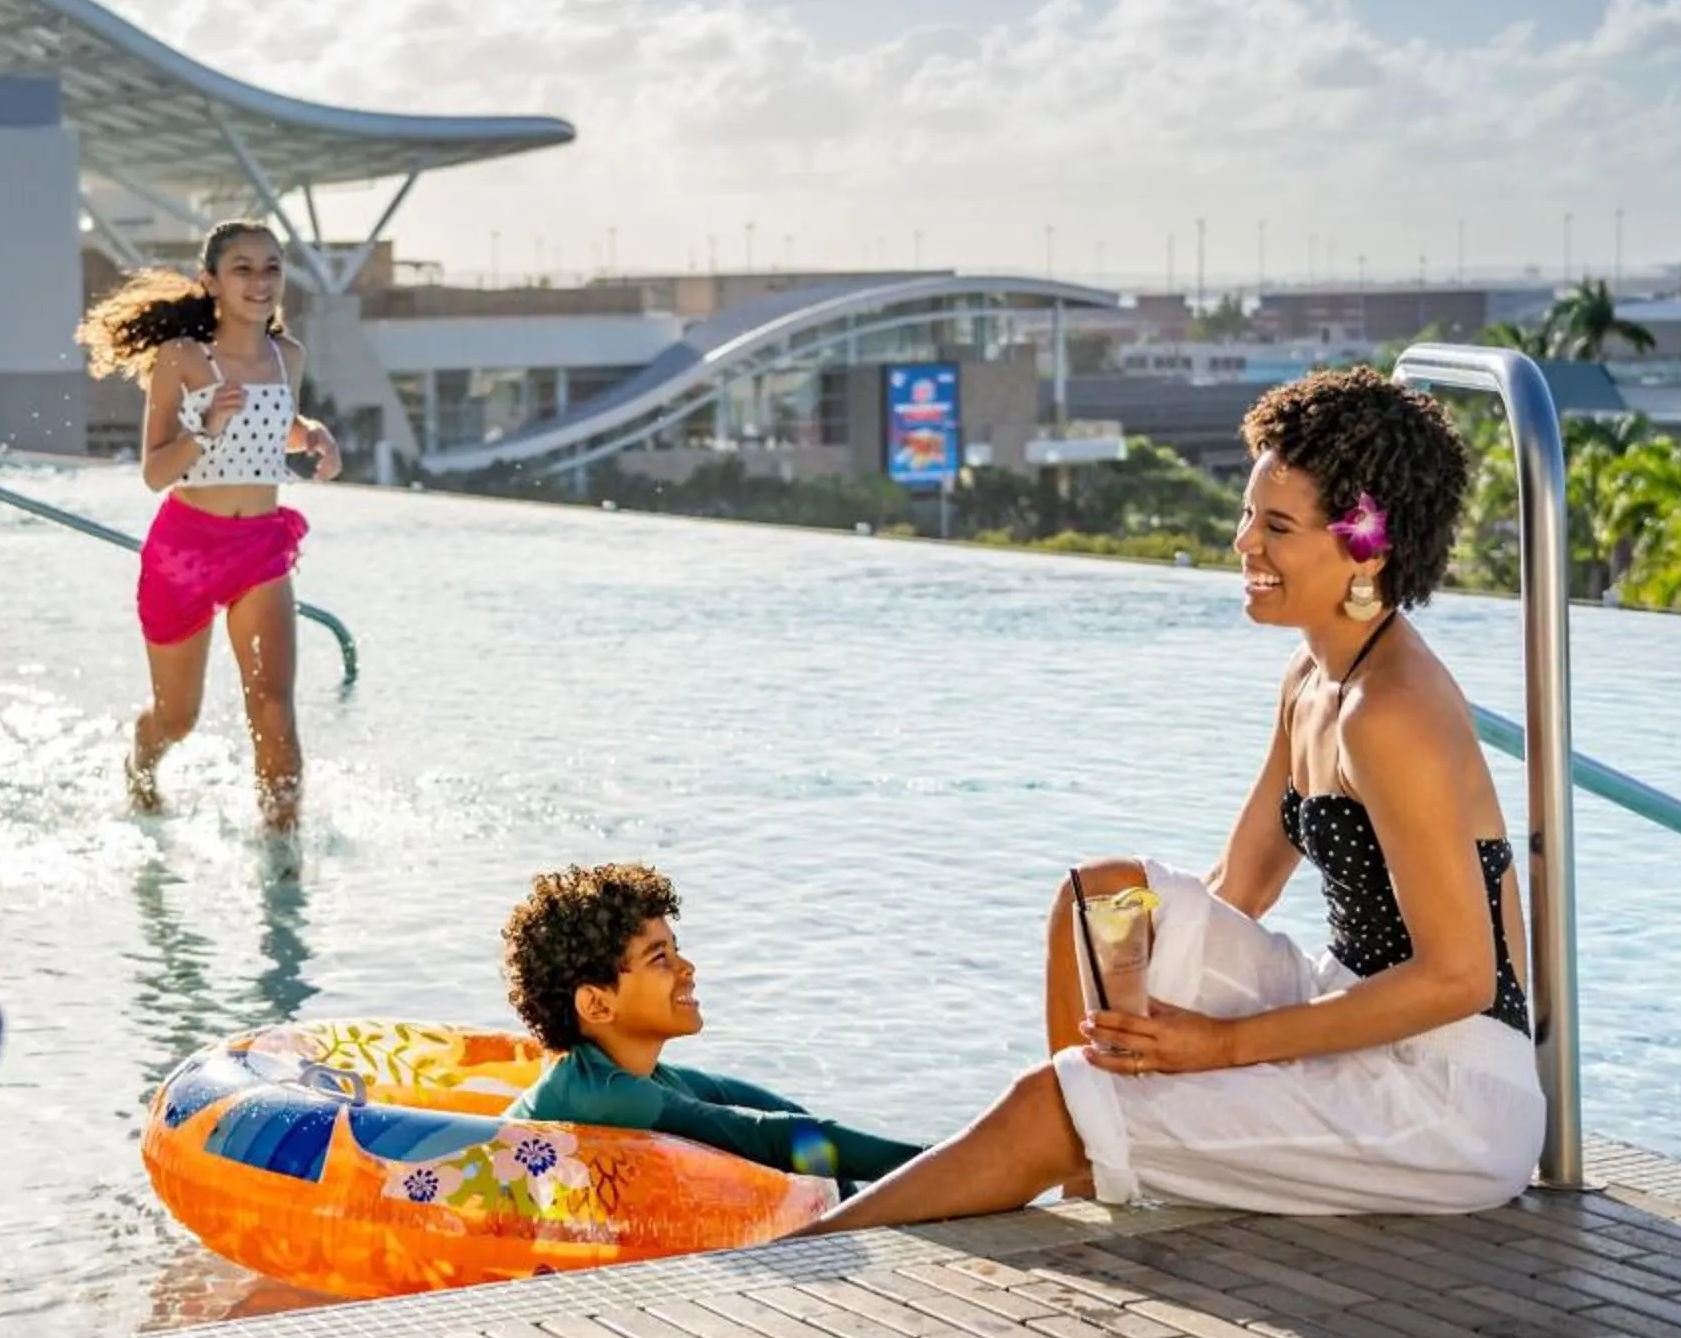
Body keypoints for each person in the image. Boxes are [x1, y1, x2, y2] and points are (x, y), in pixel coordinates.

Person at [809, 366, 1544, 1232]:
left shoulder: (1391, 711)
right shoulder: (1314, 678)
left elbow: (1460, 978)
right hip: (1351, 1005)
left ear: (1365, 545)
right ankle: (1095, 1157)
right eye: (1248, 514)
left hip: (1446, 1095)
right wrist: (1153, 998)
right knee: (1103, 905)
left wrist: (1222, 1047)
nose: (1243, 543)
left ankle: (806, 1256)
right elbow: (1241, 886)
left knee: (1053, 1105)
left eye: (1276, 526)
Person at [75, 221, 341, 832]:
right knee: (178, 717)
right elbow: (154, 472)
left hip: (260, 549)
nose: (260, 281)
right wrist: (204, 431)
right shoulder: (183, 359)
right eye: (243, 268)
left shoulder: (288, 357)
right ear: (212, 281)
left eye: (272, 268)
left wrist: (313, 435)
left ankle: (282, 853)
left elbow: (276, 425)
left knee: (273, 710)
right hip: (185, 552)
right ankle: (141, 763)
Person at [498, 862, 925, 1186]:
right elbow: (769, 1137)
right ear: (596, 1003)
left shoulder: (647, 1079)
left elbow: (789, 1119)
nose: (687, 968)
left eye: (676, 949)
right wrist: (938, 1164)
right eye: (659, 957)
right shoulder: (600, 1093)